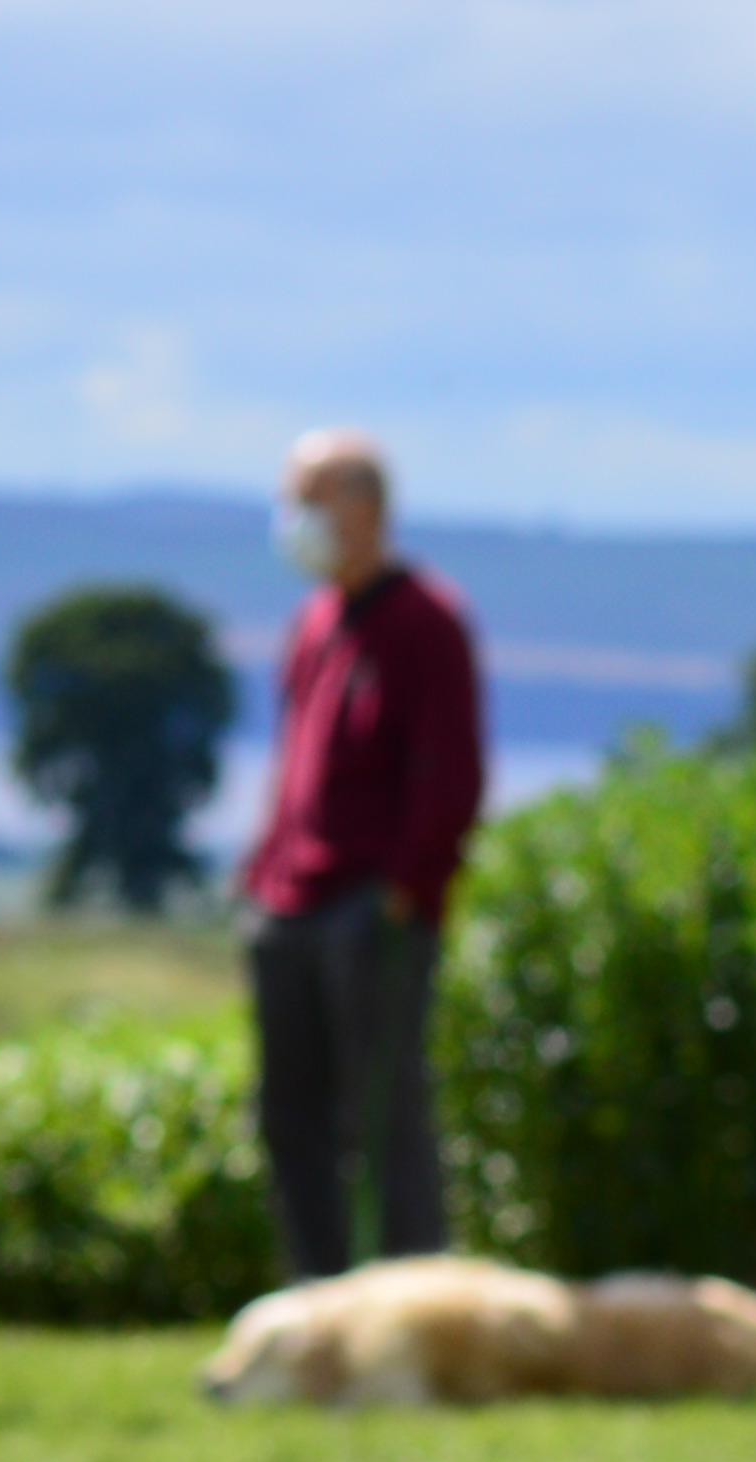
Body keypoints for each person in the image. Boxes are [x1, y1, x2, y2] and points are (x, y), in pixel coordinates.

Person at [242, 429, 489, 1270]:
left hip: (372, 908)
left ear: (366, 506)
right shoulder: (313, 621)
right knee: (290, 1118)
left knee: (382, 1118)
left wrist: (407, 885)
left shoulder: (427, 620)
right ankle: (318, 1303)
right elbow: (291, 762)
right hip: (290, 901)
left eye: (311, 497)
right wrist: (261, 871)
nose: (296, 518)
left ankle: (414, 1300)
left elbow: (452, 771)